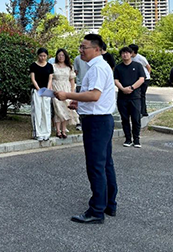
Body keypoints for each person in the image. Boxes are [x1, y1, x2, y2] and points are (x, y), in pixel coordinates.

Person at [56, 34, 117, 224]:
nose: (81, 51)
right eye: (80, 47)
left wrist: (67, 95)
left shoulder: (97, 68)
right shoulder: (99, 66)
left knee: (96, 166)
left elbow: (94, 95)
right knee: (105, 164)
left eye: (84, 47)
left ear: (97, 49)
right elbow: (94, 97)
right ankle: (109, 204)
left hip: (97, 122)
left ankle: (96, 211)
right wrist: (79, 103)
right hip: (101, 119)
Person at [114, 46, 146, 148]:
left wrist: (132, 88)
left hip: (135, 97)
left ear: (131, 54)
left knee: (136, 118)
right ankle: (128, 139)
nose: (125, 55)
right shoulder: (118, 67)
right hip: (122, 97)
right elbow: (115, 80)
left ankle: (136, 139)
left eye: (127, 53)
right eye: (123, 53)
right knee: (125, 119)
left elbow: (142, 79)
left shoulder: (138, 66)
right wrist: (123, 89)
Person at [51, 49, 78, 139]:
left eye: (62, 55)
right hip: (56, 89)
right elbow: (50, 79)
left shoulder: (69, 67)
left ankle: (64, 130)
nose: (61, 57)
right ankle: (58, 130)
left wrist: (72, 92)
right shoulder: (53, 66)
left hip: (66, 89)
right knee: (58, 109)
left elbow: (72, 80)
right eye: (59, 55)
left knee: (66, 109)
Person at [29, 48, 53, 141]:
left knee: (46, 111)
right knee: (37, 111)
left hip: (46, 91)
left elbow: (50, 79)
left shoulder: (49, 66)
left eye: (44, 56)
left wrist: (47, 89)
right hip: (36, 91)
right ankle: (38, 133)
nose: (42, 58)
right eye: (41, 56)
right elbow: (33, 79)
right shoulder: (33, 66)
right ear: (38, 55)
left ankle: (46, 132)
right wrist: (39, 90)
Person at [129, 44, 152, 117]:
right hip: (136, 79)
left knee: (141, 95)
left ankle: (143, 111)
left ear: (133, 51)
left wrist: (146, 76)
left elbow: (148, 67)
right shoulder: (130, 58)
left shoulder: (141, 58)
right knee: (135, 95)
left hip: (144, 79)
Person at [72, 55, 88, 131]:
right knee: (79, 104)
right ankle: (79, 122)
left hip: (89, 85)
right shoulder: (77, 58)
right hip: (80, 84)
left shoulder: (93, 58)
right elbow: (76, 71)